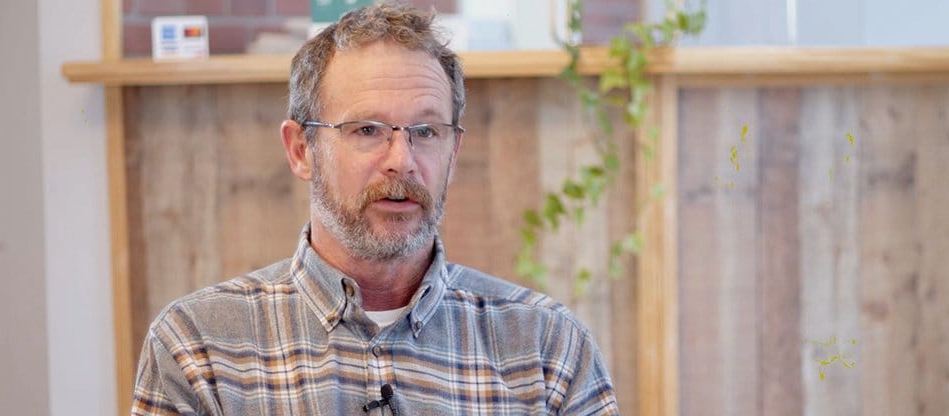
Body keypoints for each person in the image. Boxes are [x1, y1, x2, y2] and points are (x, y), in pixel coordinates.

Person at [130, 2, 620, 415]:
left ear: (453, 154)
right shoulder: (200, 349)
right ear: (301, 149)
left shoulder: (547, 349)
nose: (401, 161)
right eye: (367, 130)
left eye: (425, 132)